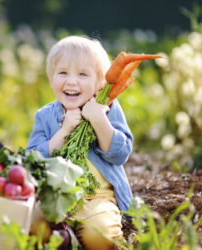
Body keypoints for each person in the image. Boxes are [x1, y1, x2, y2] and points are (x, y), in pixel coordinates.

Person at [26, 36, 133, 250]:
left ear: (99, 83)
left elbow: (121, 153)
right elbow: (32, 160)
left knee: (101, 236)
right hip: (54, 198)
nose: (72, 82)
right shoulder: (45, 116)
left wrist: (99, 119)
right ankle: (62, 238)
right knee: (31, 223)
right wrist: (64, 131)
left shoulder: (108, 108)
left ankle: (83, 236)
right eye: (63, 73)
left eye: (83, 74)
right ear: (51, 79)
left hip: (97, 199)